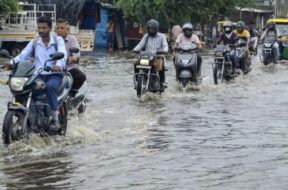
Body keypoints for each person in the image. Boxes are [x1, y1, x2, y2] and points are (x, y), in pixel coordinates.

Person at [10, 15, 67, 131]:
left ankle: (55, 118)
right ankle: (30, 114)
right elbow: (23, 55)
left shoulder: (58, 40)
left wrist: (58, 65)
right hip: (38, 74)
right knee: (25, 89)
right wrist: (11, 63)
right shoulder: (34, 42)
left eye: (44, 28)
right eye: (39, 28)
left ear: (50, 28)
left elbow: (62, 54)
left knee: (50, 87)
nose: (41, 30)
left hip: (54, 74)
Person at [133, 19, 169, 91]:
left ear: (156, 29)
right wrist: (135, 50)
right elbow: (140, 45)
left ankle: (162, 83)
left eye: (153, 29)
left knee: (159, 64)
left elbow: (165, 46)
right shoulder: (146, 36)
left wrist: (164, 51)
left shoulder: (162, 36)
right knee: (135, 62)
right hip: (147, 58)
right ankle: (138, 81)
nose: (151, 30)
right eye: (149, 29)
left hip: (157, 57)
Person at [55, 18, 86, 98]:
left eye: (62, 28)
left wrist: (73, 58)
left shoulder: (72, 39)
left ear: (67, 30)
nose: (59, 30)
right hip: (54, 68)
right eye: (57, 28)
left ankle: (71, 94)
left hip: (68, 68)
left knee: (81, 76)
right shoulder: (52, 40)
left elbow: (77, 52)